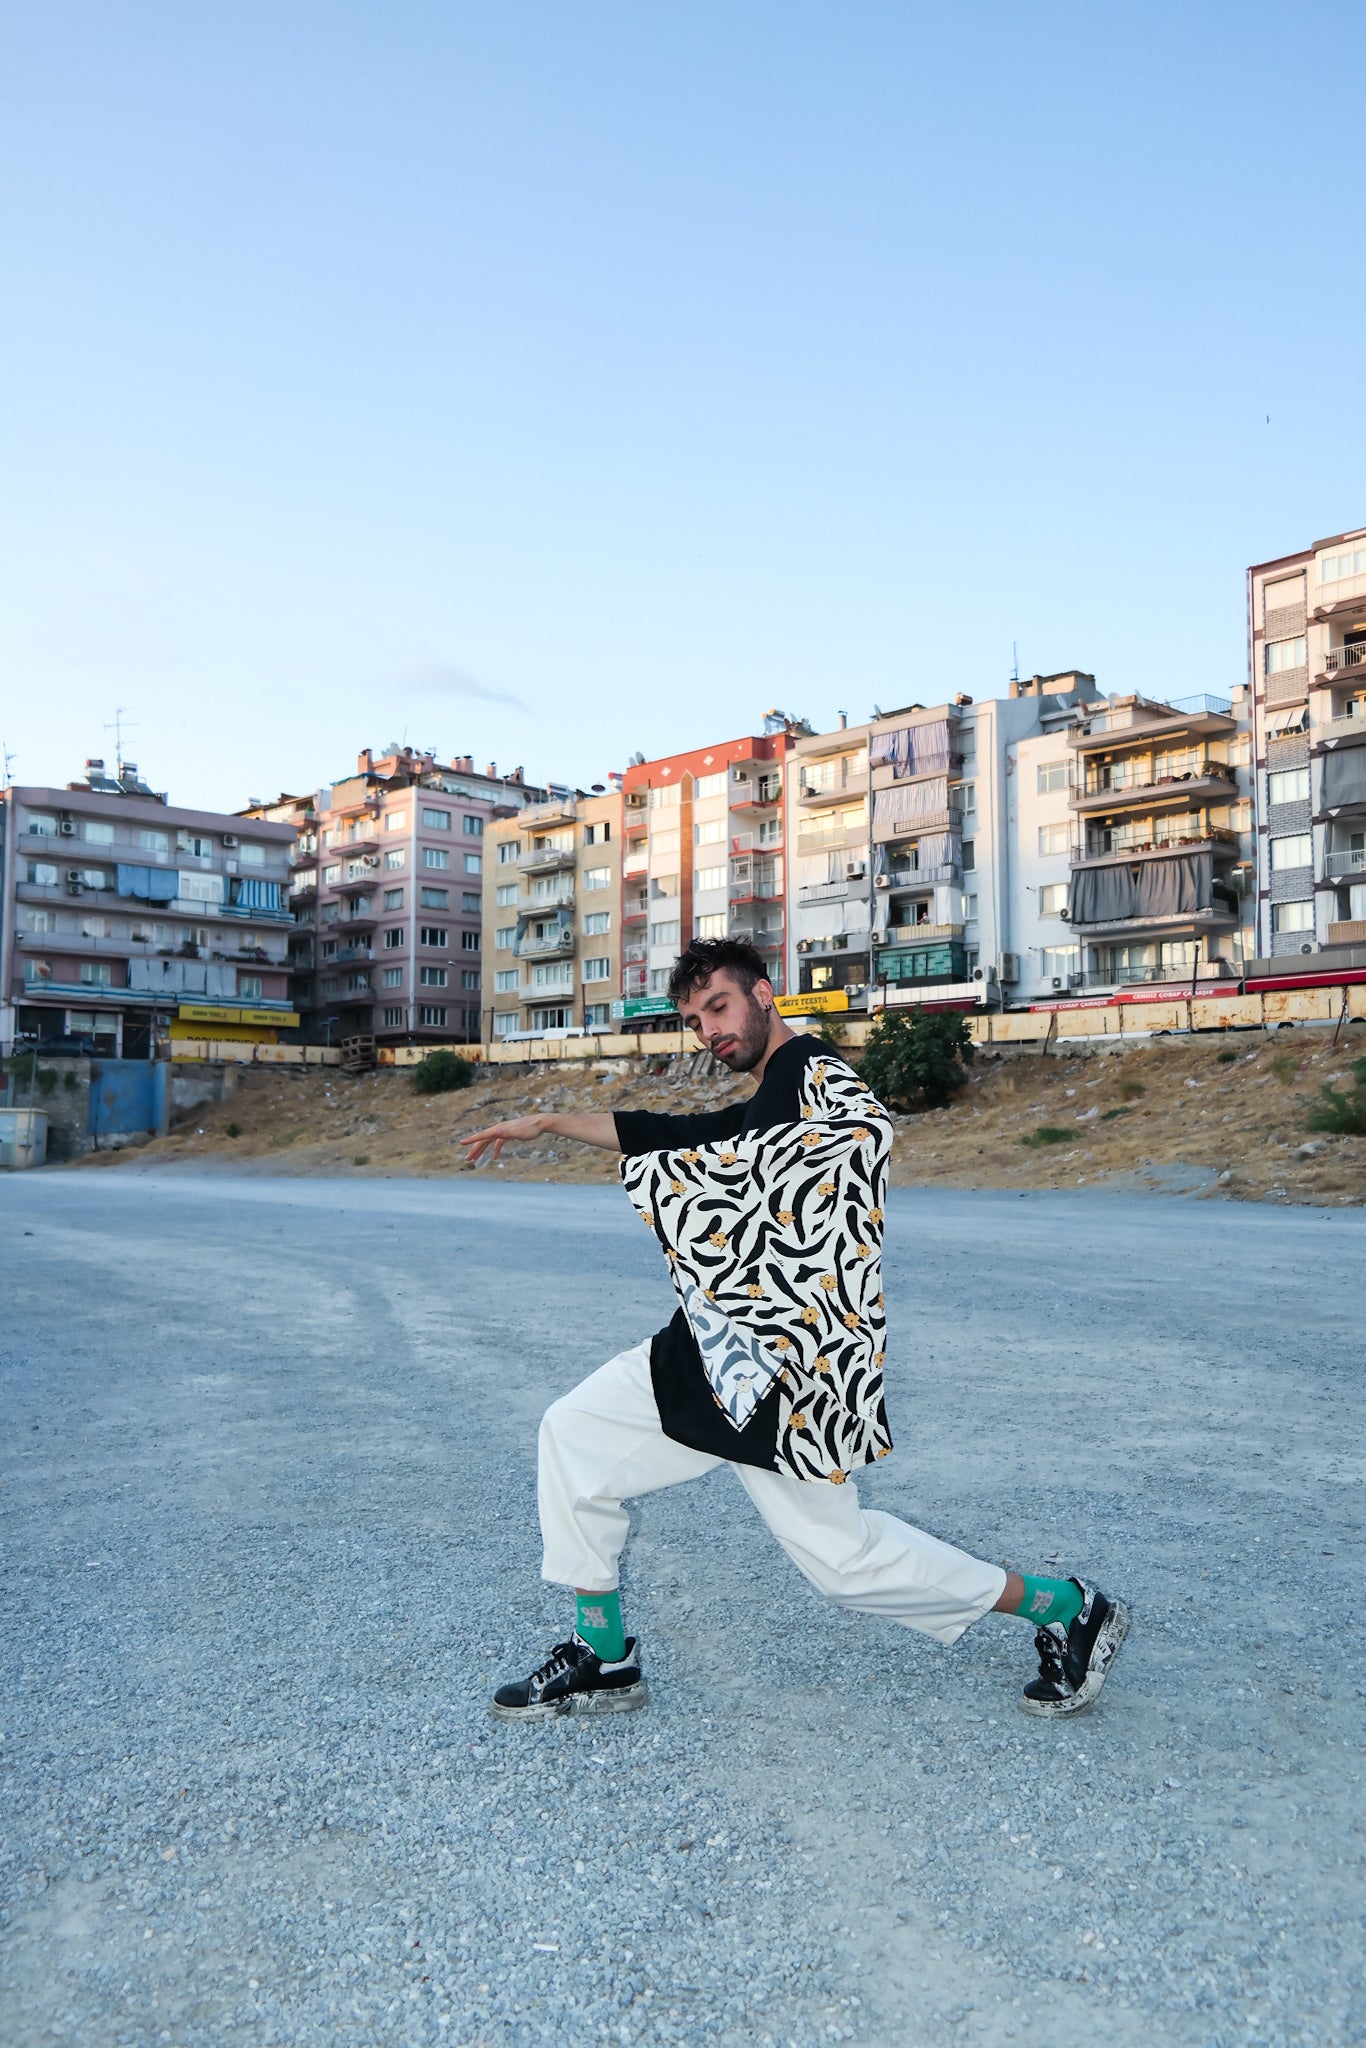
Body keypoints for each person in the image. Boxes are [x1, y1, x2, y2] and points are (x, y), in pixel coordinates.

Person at [461, 938, 1127, 1724]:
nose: (708, 1029)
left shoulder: (812, 1075)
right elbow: (685, 1135)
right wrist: (550, 1120)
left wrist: (708, 1182)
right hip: (716, 1350)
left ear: (765, 993)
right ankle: (602, 1655)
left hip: (784, 1374)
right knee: (572, 1433)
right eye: (691, 1019)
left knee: (845, 1565)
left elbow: (786, 1165)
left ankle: (1067, 1605)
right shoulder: (782, 1089)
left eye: (718, 1006)